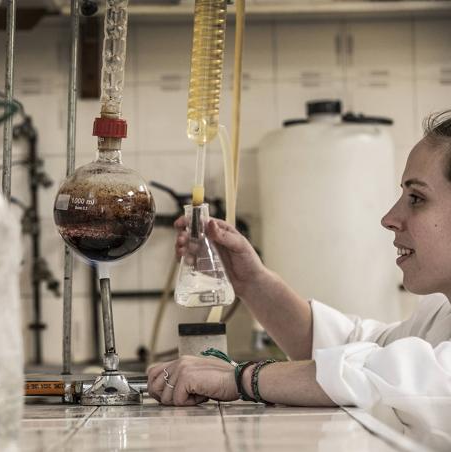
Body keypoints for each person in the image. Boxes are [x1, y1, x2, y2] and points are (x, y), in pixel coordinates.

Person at [147, 111, 451, 450]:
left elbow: (390, 375)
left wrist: (242, 377)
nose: (390, 218)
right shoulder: (440, 313)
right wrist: (250, 280)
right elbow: (354, 348)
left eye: (417, 198)